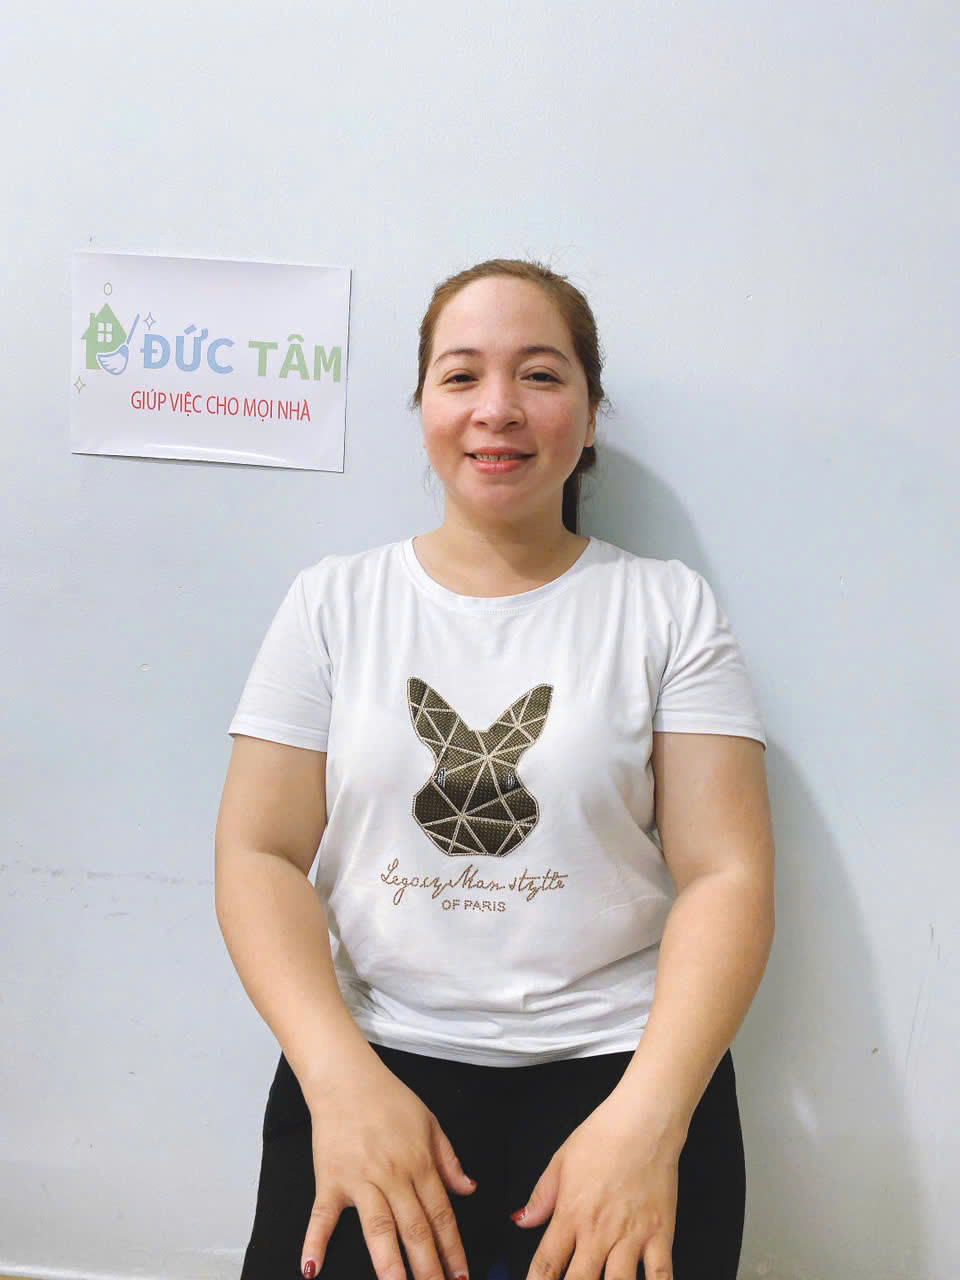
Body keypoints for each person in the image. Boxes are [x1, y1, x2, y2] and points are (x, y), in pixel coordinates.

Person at [215, 257, 776, 1280]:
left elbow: (727, 874)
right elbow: (259, 853)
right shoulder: (332, 604)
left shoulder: (667, 607)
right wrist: (338, 1079)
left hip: (623, 1077)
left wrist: (649, 1120)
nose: (499, 408)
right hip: (370, 1066)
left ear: (591, 414)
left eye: (542, 374)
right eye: (462, 374)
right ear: (423, 406)